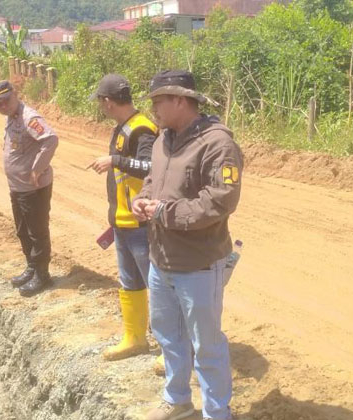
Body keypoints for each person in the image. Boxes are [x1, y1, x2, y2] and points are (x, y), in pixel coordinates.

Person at [132, 70, 243, 420]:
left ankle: (217, 413)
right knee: (168, 336)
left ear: (180, 100)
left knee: (206, 345)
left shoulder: (218, 143)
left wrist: (166, 212)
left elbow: (221, 200)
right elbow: (153, 180)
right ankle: (177, 399)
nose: (153, 109)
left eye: (157, 101)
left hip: (198, 263)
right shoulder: (165, 138)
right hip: (161, 258)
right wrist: (144, 199)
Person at [87, 74, 158, 361]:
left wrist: (115, 160)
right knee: (130, 284)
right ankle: (135, 338)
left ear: (107, 102)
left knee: (159, 288)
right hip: (123, 222)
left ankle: (170, 349)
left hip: (141, 225)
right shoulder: (123, 127)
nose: (101, 108)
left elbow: (150, 167)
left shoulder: (142, 129)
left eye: (101, 102)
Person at [0, 81, 59, 297]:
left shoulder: (29, 117)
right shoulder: (12, 118)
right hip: (18, 187)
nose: (3, 105)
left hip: (33, 188)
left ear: (15, 95)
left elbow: (50, 140)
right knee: (22, 230)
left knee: (37, 232)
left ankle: (42, 274)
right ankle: (31, 267)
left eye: (6, 100)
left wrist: (38, 168)